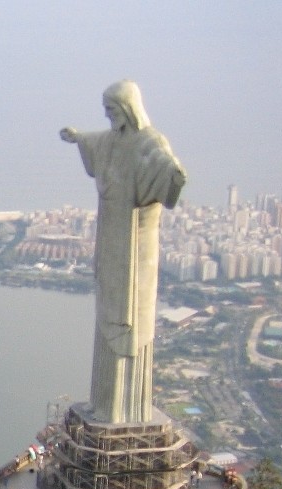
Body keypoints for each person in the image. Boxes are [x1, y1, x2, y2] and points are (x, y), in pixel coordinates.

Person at [61, 81, 186, 424]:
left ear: (128, 108)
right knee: (108, 311)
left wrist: (174, 174)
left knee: (129, 316)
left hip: (135, 244)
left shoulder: (150, 142)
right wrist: (77, 137)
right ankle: (104, 405)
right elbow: (96, 142)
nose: (108, 116)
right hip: (111, 238)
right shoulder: (113, 140)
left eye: (112, 110)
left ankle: (125, 410)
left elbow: (166, 170)